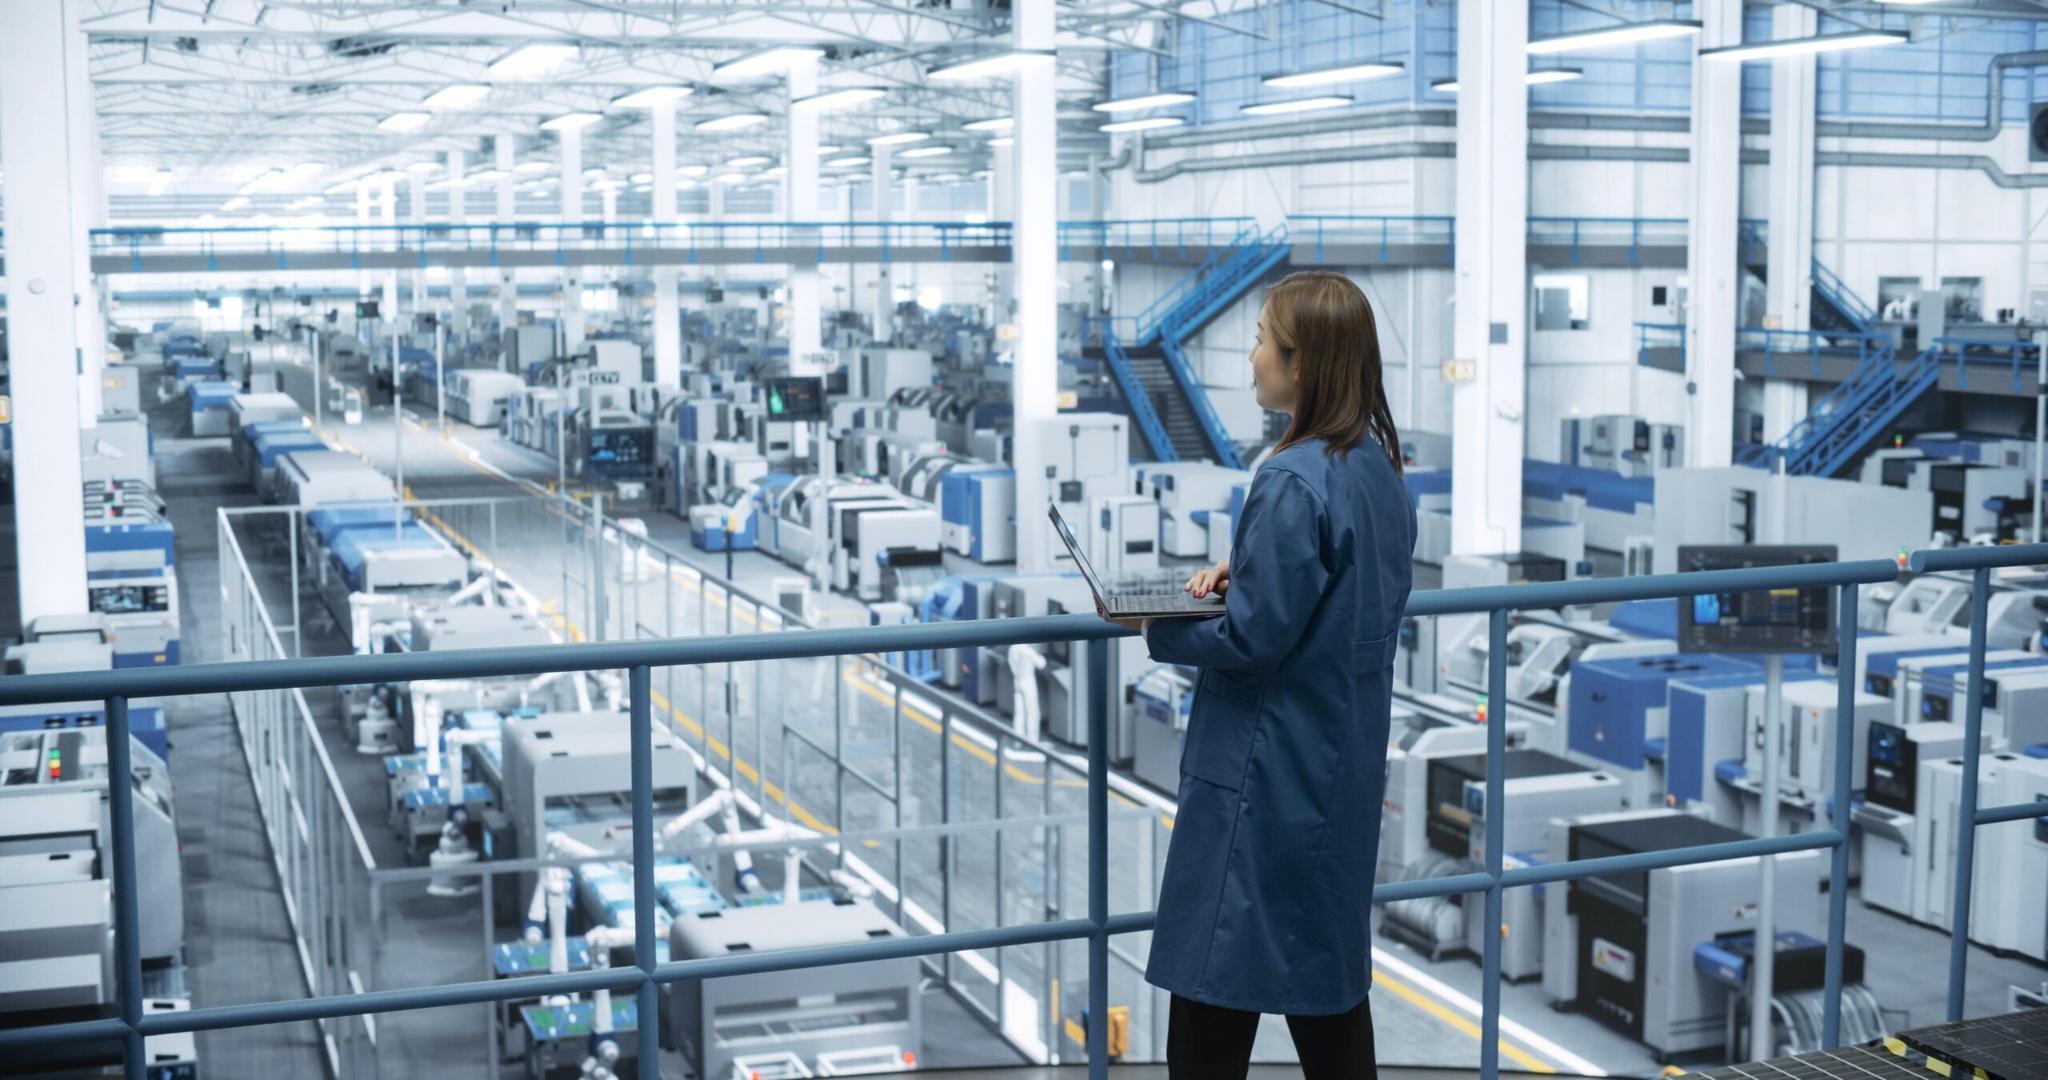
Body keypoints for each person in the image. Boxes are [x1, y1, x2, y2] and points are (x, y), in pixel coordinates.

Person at [1101, 271, 1416, 1079]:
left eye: (1261, 342)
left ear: (1301, 362)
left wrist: (1153, 619)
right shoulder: (1377, 469)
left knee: (1210, 998)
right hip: (1336, 771)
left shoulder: (1286, 478)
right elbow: (1333, 594)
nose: (1249, 359)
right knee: (1330, 993)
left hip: (1262, 780)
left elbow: (1252, 641)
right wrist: (1251, 565)